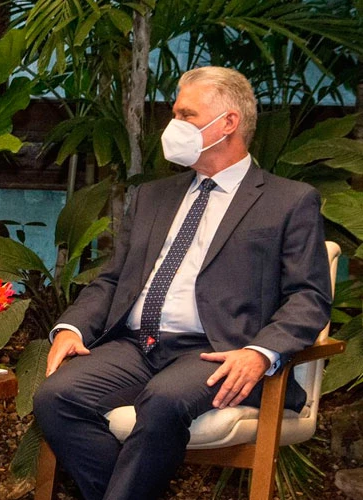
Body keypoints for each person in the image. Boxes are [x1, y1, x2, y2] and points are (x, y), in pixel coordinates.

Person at [33, 66, 332, 500]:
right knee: (56, 397)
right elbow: (113, 279)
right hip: (136, 345)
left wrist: (259, 352)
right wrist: (71, 328)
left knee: (164, 400)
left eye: (186, 115)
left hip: (216, 351)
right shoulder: (154, 196)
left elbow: (309, 296)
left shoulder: (288, 200)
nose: (173, 126)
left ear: (228, 122)